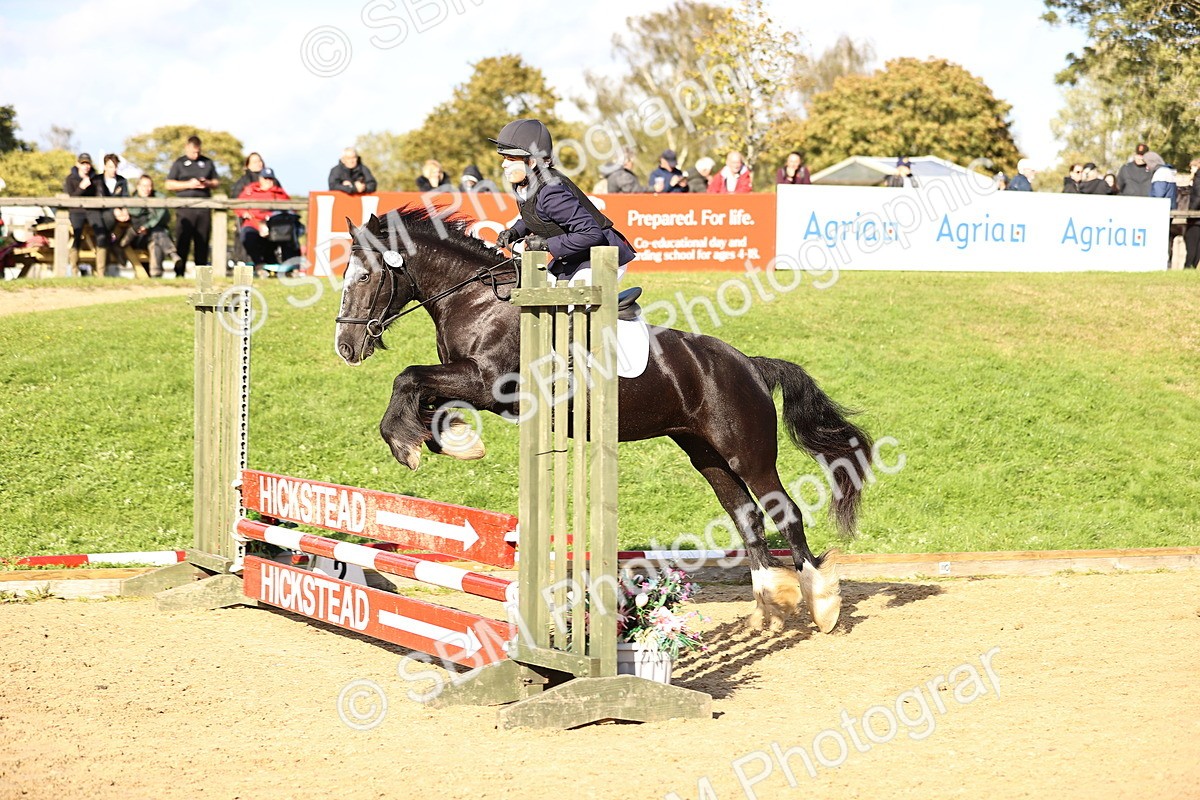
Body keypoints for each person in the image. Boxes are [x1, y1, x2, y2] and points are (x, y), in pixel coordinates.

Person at [490, 118, 636, 284]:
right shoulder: (525, 185)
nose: (504, 165)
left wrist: (545, 244)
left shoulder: (551, 192)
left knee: (569, 305)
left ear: (531, 162)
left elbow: (591, 233)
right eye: (504, 158)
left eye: (511, 159)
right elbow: (537, 215)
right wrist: (515, 232)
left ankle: (619, 310)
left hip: (602, 255)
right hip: (574, 257)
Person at [165, 135, 219, 277]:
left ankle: (202, 277)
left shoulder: (207, 162)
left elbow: (216, 182)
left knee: (202, 242)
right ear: (186, 148)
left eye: (198, 152)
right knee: (183, 241)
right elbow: (169, 184)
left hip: (203, 208)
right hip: (185, 208)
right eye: (192, 152)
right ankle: (179, 274)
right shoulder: (179, 163)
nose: (195, 155)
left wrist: (206, 183)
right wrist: (188, 184)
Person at [235, 167, 290, 274]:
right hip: (253, 223)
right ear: (260, 179)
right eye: (265, 178)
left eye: (270, 179)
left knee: (288, 235)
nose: (268, 181)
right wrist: (244, 213)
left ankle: (288, 267)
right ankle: (259, 265)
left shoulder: (280, 193)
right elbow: (238, 205)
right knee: (247, 235)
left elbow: (289, 208)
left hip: (274, 225)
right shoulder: (250, 191)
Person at [122, 175, 177, 278]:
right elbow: (136, 214)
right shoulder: (132, 201)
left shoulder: (158, 198)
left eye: (149, 186)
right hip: (138, 237)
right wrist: (146, 226)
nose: (147, 189)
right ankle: (172, 253)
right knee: (157, 234)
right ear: (138, 186)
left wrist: (147, 226)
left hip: (154, 236)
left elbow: (163, 216)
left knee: (156, 239)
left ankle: (156, 275)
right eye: (144, 186)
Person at [62, 152, 106, 276]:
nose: (86, 166)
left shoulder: (96, 179)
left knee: (101, 235)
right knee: (77, 235)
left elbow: (99, 195)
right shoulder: (70, 179)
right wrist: (81, 188)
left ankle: (101, 272)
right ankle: (74, 270)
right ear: (78, 164)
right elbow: (70, 199)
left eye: (88, 164)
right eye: (83, 164)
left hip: (92, 210)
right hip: (76, 211)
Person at [97, 154, 130, 276]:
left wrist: (125, 210)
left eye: (115, 166)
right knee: (103, 236)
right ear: (105, 166)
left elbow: (126, 198)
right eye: (110, 166)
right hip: (101, 214)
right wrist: (114, 210)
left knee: (129, 222)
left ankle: (116, 243)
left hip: (119, 215)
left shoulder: (122, 181)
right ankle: (114, 245)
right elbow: (99, 199)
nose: (113, 169)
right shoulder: (98, 180)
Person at [1184, 158, 1200, 269]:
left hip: (1196, 217)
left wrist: (1191, 212)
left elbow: (1198, 195)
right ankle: (1193, 266)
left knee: (1191, 241)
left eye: (1192, 167)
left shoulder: (1198, 178)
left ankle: (1188, 266)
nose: (1191, 170)